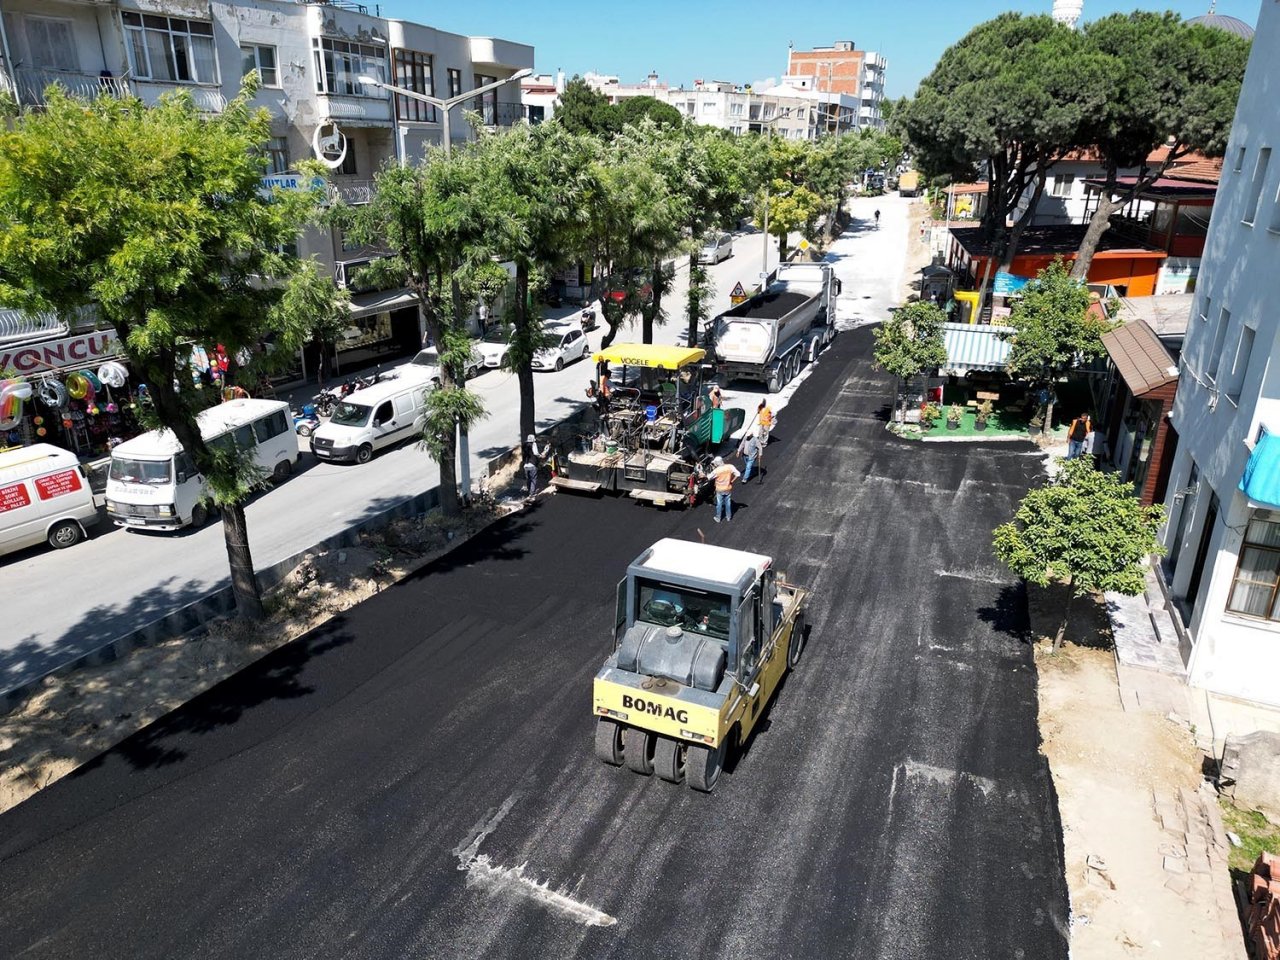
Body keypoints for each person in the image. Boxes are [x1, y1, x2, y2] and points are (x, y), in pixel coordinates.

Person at [709, 455, 741, 523]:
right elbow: (738, 474)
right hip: (728, 488)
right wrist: (732, 481)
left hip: (719, 489)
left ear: (717, 463)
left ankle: (718, 518)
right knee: (728, 503)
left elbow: (709, 477)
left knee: (719, 504)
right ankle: (728, 517)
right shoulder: (730, 466)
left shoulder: (716, 471)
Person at [523, 433, 547, 498]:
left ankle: (528, 492)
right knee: (533, 479)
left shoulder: (524, 445)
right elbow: (535, 453)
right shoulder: (533, 444)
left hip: (525, 465)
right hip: (532, 465)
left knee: (528, 479)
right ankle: (532, 493)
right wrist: (541, 456)